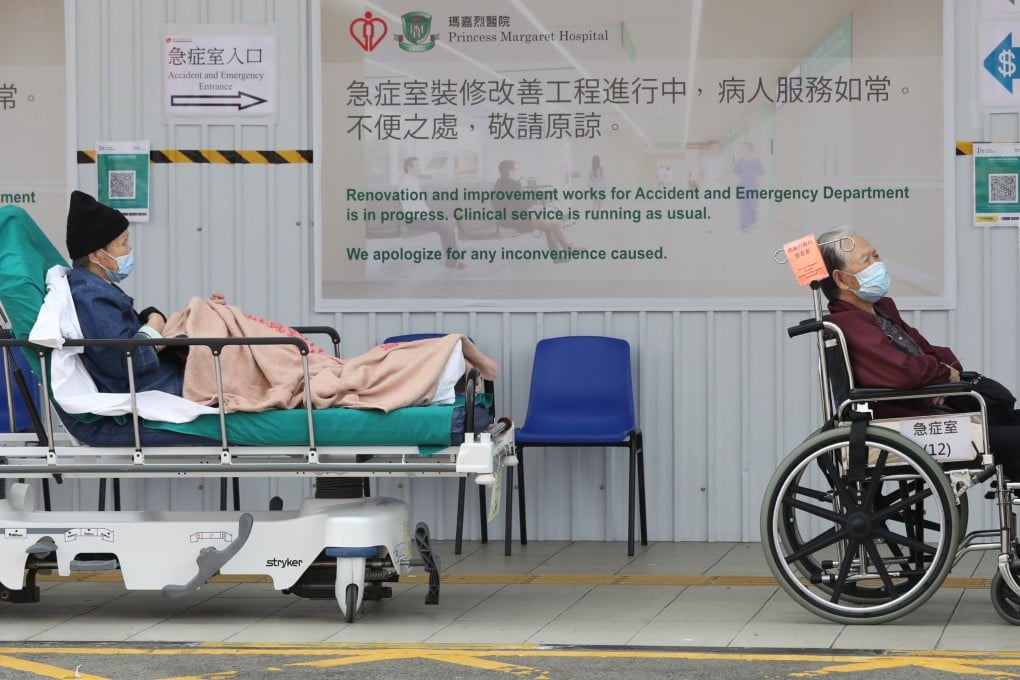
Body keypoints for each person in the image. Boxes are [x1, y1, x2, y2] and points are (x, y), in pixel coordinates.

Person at [818, 227, 1020, 480]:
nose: (877, 265)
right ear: (842, 279)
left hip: (935, 412)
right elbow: (903, 372)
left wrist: (941, 375)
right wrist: (940, 375)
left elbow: (932, 352)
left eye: (876, 256)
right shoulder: (848, 324)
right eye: (866, 260)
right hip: (909, 425)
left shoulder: (881, 309)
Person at [65, 190, 190, 396]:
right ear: (96, 255)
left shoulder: (96, 288)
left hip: (158, 379)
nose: (129, 249)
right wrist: (156, 322)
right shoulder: (90, 296)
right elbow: (125, 360)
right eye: (123, 243)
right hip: (149, 387)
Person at [493, 159, 575, 253]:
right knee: (555, 223)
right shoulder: (511, 185)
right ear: (509, 171)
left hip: (508, 218)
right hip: (517, 220)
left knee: (549, 223)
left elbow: (517, 203)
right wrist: (535, 200)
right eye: (516, 169)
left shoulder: (500, 183)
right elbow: (523, 204)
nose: (517, 172)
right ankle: (567, 249)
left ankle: (562, 252)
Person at [399, 156, 464, 269]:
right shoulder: (407, 184)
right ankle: (452, 262)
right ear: (409, 168)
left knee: (447, 224)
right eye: (417, 166)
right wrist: (431, 216)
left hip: (420, 216)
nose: (420, 168)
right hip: (415, 219)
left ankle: (452, 260)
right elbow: (414, 208)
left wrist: (432, 216)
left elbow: (420, 206)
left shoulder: (412, 181)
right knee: (446, 226)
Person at [733, 142, 764, 231]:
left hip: (753, 187)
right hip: (742, 187)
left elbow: (761, 174)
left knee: (752, 206)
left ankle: (752, 222)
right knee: (742, 207)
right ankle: (744, 226)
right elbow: (735, 173)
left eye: (745, 148)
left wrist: (761, 186)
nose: (744, 150)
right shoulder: (740, 161)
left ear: (751, 149)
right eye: (743, 148)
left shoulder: (756, 161)